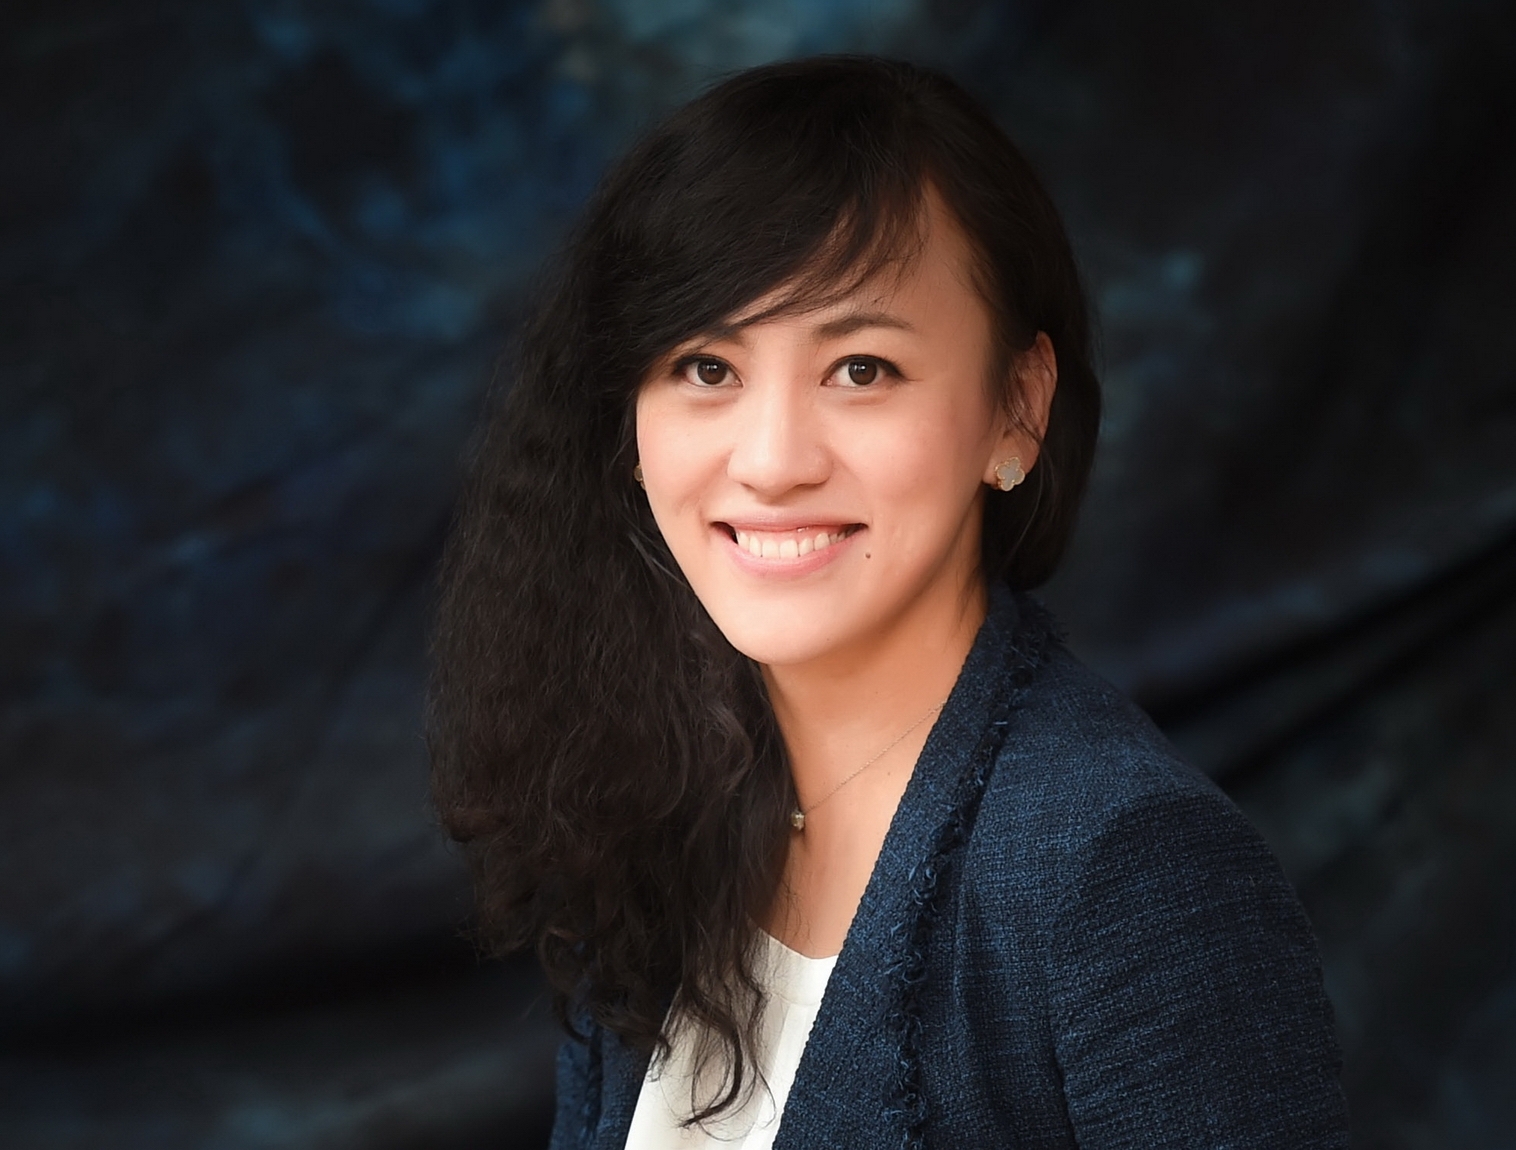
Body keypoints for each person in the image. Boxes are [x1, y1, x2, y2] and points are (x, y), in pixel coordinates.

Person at [429, 55, 1349, 1150]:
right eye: (706, 368)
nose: (771, 463)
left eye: (861, 369)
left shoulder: (1130, 869)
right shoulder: (655, 798)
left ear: (1017, 409)